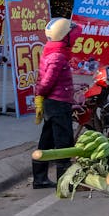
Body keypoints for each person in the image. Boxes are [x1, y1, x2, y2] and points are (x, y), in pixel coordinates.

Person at [33, 17, 79, 189]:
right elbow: (46, 82)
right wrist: (40, 94)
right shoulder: (58, 56)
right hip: (57, 104)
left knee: (47, 140)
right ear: (64, 37)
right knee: (63, 142)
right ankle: (63, 182)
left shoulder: (52, 51)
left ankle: (40, 179)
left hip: (54, 102)